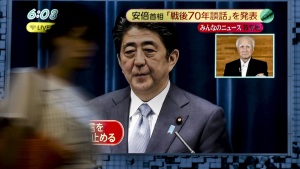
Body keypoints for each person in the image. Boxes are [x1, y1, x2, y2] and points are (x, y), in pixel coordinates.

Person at [88, 12, 232, 153]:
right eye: (130, 51)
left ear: (172, 59)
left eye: (149, 50)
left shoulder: (205, 118)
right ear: (120, 61)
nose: (138, 61)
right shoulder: (94, 111)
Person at [0, 3, 101, 168]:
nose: (90, 47)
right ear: (58, 38)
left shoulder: (84, 99)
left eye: (92, 40)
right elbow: (11, 149)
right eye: (83, 37)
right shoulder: (30, 80)